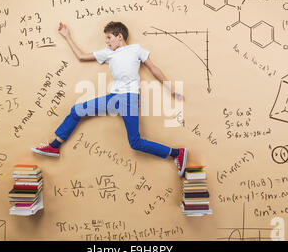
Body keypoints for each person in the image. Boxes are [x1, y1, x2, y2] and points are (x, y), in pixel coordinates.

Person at [31, 21, 187, 177]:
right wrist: (67, 36)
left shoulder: (135, 49)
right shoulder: (108, 52)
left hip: (129, 99)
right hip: (113, 98)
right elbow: (81, 56)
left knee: (135, 143)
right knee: (76, 110)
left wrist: (170, 88)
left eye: (108, 37)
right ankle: (54, 146)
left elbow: (153, 68)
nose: (106, 41)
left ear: (119, 36)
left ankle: (176, 153)